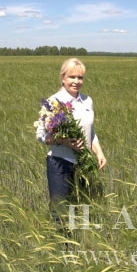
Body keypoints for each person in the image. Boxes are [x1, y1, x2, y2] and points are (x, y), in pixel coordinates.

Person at [35, 58, 106, 225]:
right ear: (63, 78)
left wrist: (99, 151)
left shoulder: (87, 101)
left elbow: (90, 130)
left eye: (80, 77)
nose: (76, 81)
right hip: (60, 164)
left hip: (82, 163)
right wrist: (64, 141)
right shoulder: (53, 102)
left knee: (79, 206)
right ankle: (62, 246)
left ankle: (78, 241)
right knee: (60, 211)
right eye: (72, 77)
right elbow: (40, 135)